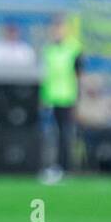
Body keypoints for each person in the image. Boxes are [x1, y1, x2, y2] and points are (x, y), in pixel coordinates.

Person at [40, 15, 81, 183]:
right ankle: (52, 165)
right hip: (50, 97)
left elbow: (79, 75)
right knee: (50, 134)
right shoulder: (48, 50)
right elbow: (45, 75)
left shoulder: (74, 49)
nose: (57, 31)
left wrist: (78, 97)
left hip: (67, 97)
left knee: (64, 134)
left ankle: (64, 167)